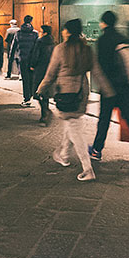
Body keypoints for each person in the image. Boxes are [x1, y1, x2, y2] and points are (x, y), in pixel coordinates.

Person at [89, 10, 129, 173]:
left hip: (110, 89)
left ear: (103, 23)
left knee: (103, 121)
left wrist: (104, 87)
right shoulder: (124, 39)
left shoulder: (103, 40)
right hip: (126, 89)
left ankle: (96, 150)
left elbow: (101, 66)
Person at [36, 19, 95, 181]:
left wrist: (41, 89)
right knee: (71, 124)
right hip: (81, 93)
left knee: (75, 131)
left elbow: (51, 73)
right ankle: (63, 155)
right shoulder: (86, 49)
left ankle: (87, 168)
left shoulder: (61, 49)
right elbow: (96, 71)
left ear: (68, 32)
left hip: (65, 95)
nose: (62, 32)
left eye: (64, 30)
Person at [30, 24, 55, 125]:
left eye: (40, 31)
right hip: (50, 70)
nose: (39, 33)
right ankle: (45, 112)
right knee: (46, 92)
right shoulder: (53, 42)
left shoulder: (40, 42)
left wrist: (32, 65)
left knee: (37, 92)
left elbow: (36, 55)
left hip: (40, 69)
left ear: (44, 33)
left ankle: (45, 114)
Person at [14, 16, 39, 106]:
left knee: (25, 79)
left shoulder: (18, 33)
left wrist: (11, 56)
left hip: (22, 59)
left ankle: (27, 98)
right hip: (32, 59)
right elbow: (37, 48)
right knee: (32, 77)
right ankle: (32, 94)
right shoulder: (35, 34)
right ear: (31, 21)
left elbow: (13, 47)